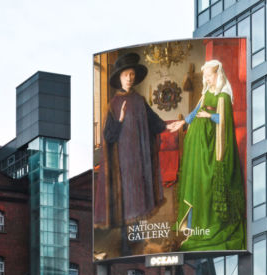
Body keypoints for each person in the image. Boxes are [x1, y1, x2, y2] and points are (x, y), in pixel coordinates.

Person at [96, 52, 171, 253]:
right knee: (124, 202)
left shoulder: (139, 100)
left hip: (138, 159)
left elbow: (154, 121)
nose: (129, 78)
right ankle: (124, 243)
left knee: (137, 199)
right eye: (125, 75)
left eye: (131, 74)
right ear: (119, 78)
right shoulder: (112, 105)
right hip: (121, 163)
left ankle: (136, 238)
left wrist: (168, 126)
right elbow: (109, 136)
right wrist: (120, 120)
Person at [169, 59, 246, 252]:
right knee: (196, 181)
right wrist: (183, 122)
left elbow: (225, 121)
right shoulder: (206, 93)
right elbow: (196, 111)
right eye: (205, 77)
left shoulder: (223, 96)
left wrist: (209, 116)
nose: (207, 80)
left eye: (209, 76)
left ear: (217, 75)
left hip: (212, 147)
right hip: (199, 145)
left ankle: (208, 226)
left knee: (207, 182)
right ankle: (193, 228)